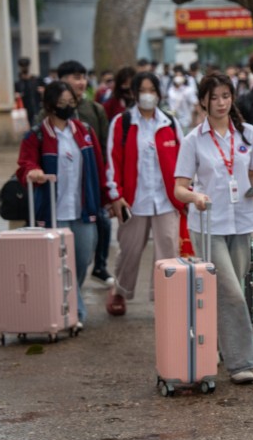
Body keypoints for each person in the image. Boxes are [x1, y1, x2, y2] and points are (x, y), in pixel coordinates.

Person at [173, 72, 253, 385]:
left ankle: (213, 343)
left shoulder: (248, 133)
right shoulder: (193, 139)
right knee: (232, 293)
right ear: (203, 101)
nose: (220, 103)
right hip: (208, 225)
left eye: (225, 96)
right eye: (213, 97)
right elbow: (179, 188)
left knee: (230, 290)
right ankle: (241, 362)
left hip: (242, 221)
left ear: (233, 97)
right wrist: (196, 197)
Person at [17, 81, 110, 327]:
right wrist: (33, 171)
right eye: (61, 103)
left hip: (82, 209)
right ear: (49, 106)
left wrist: (105, 200)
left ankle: (66, 300)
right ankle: (73, 312)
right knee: (59, 265)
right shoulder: (37, 135)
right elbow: (24, 164)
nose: (67, 107)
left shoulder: (84, 131)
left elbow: (98, 168)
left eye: (71, 102)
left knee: (82, 260)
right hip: (53, 212)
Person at [104, 71, 185, 316]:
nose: (147, 95)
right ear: (134, 93)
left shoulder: (170, 123)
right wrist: (115, 195)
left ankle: (165, 297)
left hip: (166, 200)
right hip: (133, 201)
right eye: (142, 91)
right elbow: (113, 160)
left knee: (168, 250)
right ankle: (120, 291)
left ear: (159, 93)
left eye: (152, 90)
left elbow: (183, 160)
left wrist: (184, 191)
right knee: (129, 250)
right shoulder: (122, 123)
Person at [54, 60, 114, 287]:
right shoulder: (48, 113)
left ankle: (99, 265)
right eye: (76, 77)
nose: (81, 82)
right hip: (61, 193)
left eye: (83, 77)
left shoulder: (95, 110)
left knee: (99, 229)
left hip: (89, 188)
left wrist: (105, 186)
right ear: (62, 80)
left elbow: (105, 149)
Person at [166, 65, 199, 132]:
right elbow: (170, 107)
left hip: (186, 123)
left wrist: (194, 122)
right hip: (174, 122)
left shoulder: (188, 90)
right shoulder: (171, 91)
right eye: (176, 76)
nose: (178, 78)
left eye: (180, 76)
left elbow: (196, 105)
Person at [14, 56, 44, 121]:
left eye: (26, 65)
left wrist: (43, 91)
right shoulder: (18, 84)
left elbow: (46, 92)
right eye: (22, 66)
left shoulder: (37, 80)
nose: (24, 68)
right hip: (23, 112)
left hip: (36, 110)